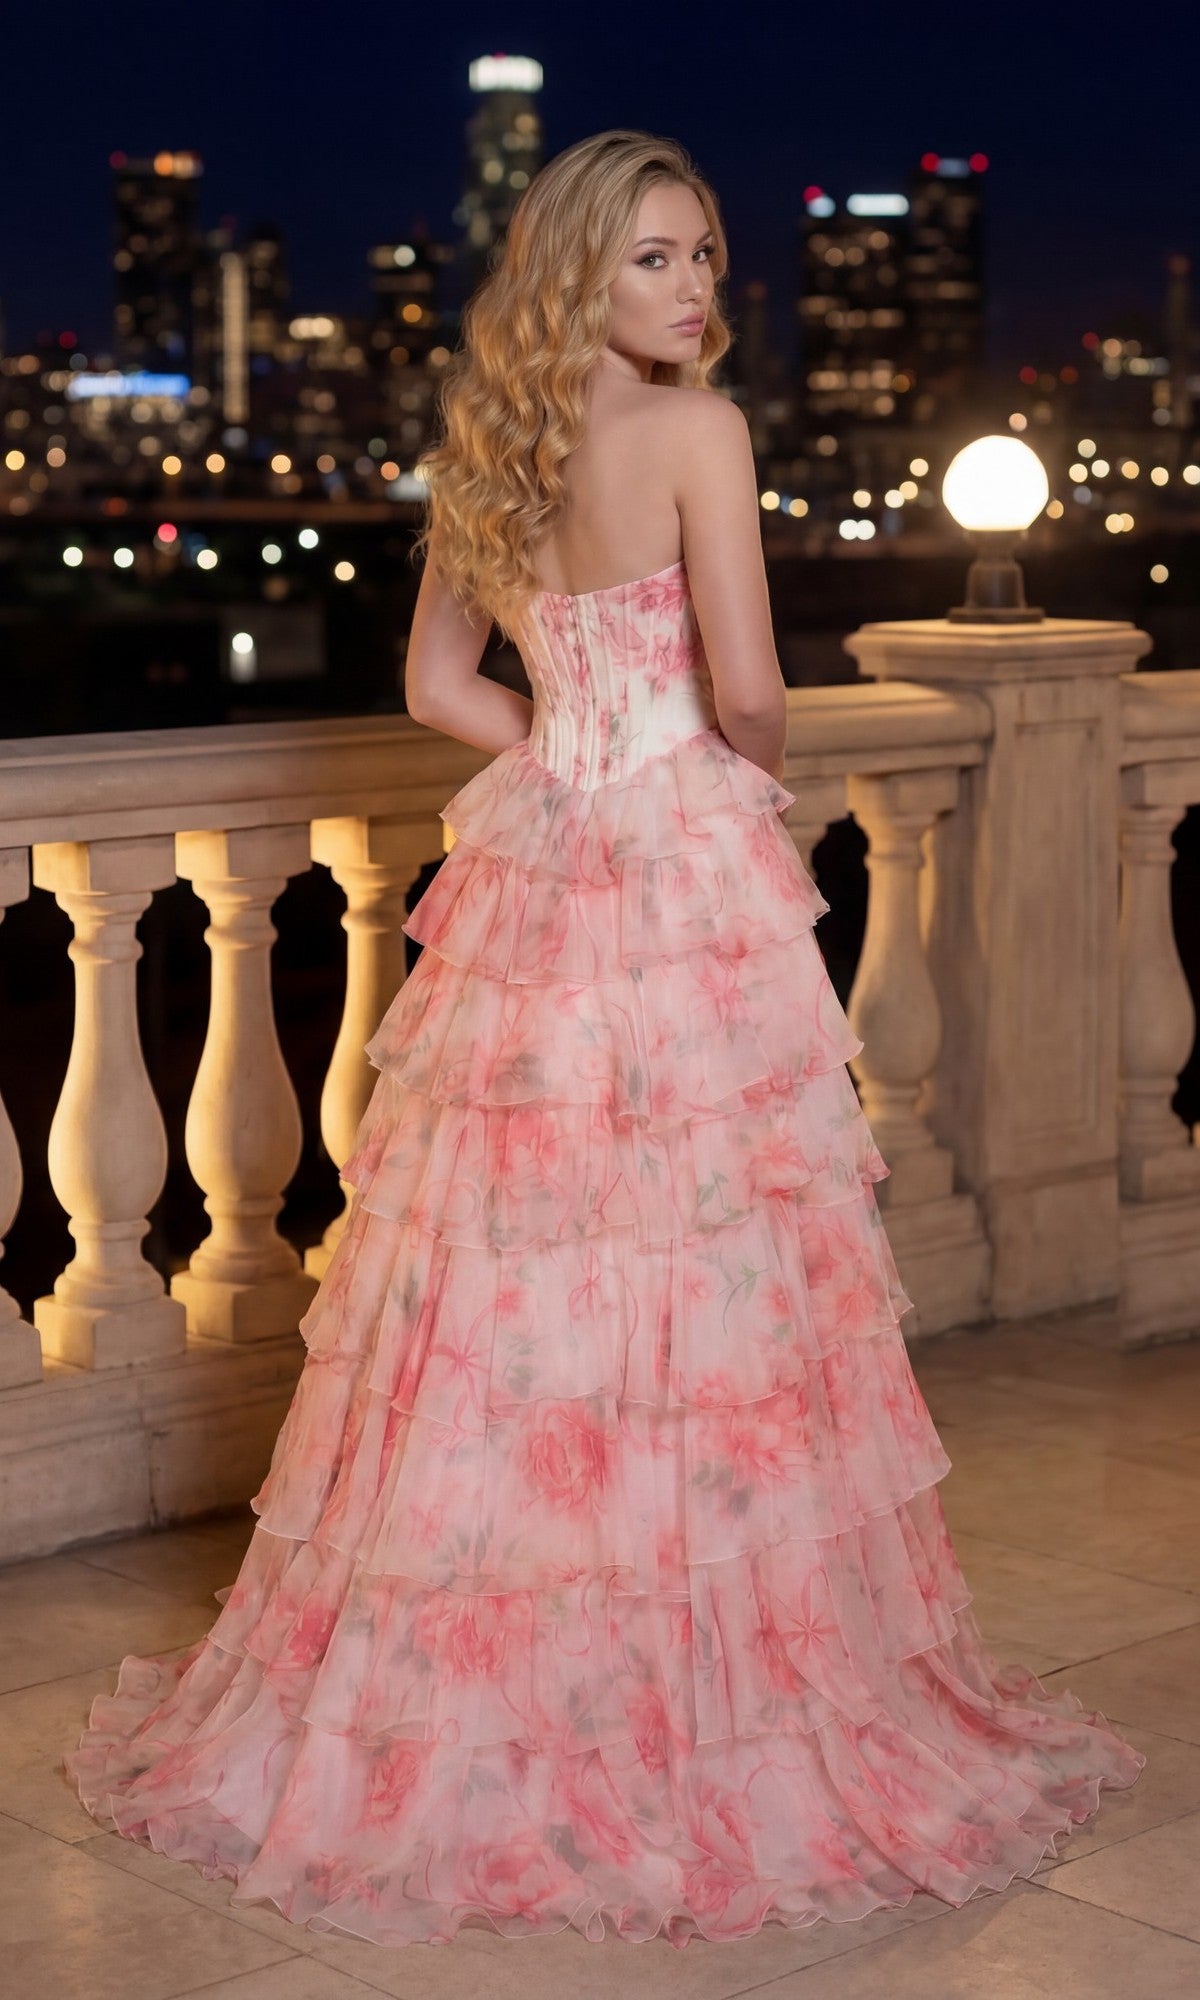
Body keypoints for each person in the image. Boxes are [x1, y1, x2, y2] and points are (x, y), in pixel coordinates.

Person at [62, 128, 1146, 1950]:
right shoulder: (700, 437)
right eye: (659, 258)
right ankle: (695, 1692)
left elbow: (433, 689)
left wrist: (572, 762)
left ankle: (481, 1697)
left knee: (504, 1298)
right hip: (669, 882)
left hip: (542, 876)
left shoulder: (499, 441)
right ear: (585, 265)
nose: (699, 287)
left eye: (709, 255)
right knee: (713, 1284)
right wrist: (722, 797)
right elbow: (746, 689)